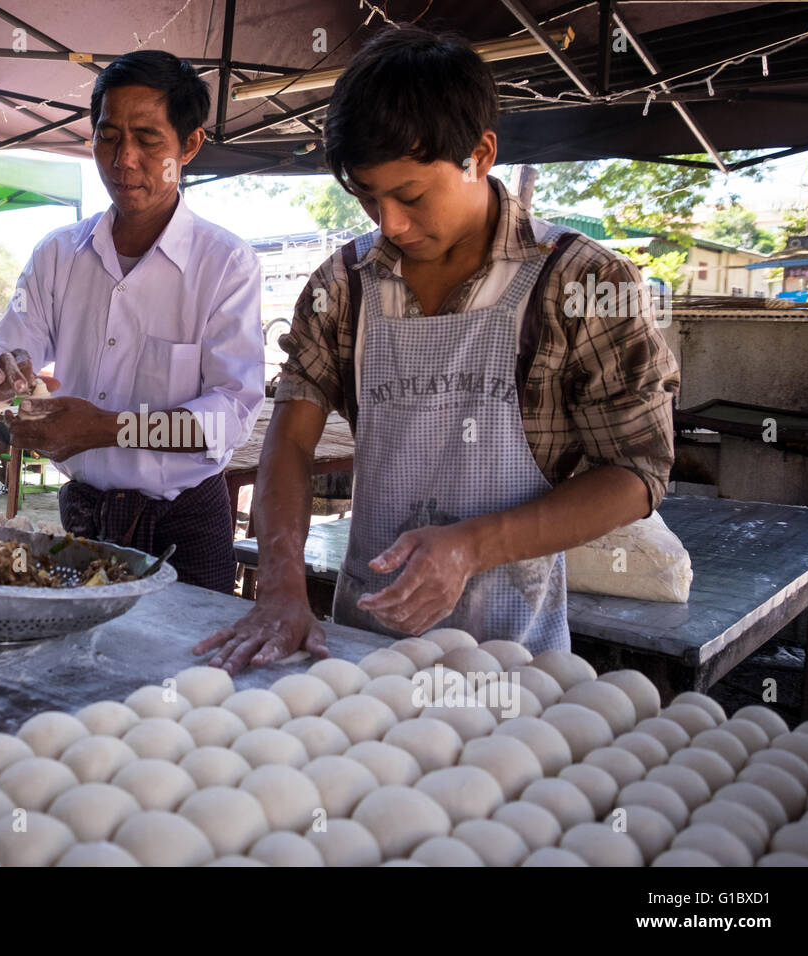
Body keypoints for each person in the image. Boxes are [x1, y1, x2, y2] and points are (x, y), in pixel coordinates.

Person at [195, 25, 680, 673]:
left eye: (411, 196)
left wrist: (473, 546)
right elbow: (289, 441)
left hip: (517, 657)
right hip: (364, 650)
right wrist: (282, 586)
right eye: (368, 197)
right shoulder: (345, 286)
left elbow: (635, 474)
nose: (389, 223)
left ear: (479, 154)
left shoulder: (581, 283)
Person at [0, 49, 265, 593]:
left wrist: (107, 428)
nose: (124, 158)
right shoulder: (59, 254)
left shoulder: (225, 264)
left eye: (148, 139)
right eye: (108, 136)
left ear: (190, 145)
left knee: (189, 673)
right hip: (82, 519)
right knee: (82, 670)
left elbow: (228, 420)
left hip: (184, 524)